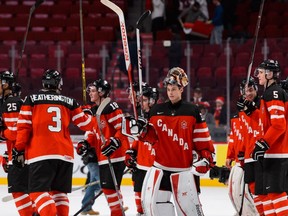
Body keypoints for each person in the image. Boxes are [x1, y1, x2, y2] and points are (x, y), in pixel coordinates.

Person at [128, 67, 215, 215]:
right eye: (168, 89)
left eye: (174, 89)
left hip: (184, 171)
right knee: (160, 210)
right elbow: (152, 139)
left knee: (189, 211)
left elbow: (202, 140)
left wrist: (207, 157)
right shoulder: (156, 111)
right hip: (160, 169)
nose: (170, 92)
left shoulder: (192, 111)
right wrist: (141, 131)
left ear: (181, 89)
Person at [13, 69, 96, 216]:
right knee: (60, 194)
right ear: (59, 84)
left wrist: (19, 149)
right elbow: (87, 125)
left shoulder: (31, 99)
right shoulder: (70, 101)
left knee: (37, 192)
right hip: (65, 155)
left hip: (41, 153)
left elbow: (23, 126)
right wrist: (88, 113)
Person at [76, 78, 129, 215]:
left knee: (109, 188)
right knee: (107, 189)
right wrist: (86, 144)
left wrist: (114, 142)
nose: (90, 94)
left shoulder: (110, 107)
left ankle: (117, 212)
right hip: (104, 157)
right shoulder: (96, 111)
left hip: (116, 156)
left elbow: (122, 129)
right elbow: (95, 133)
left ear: (101, 92)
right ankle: (117, 212)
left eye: (93, 91)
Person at [252, 59, 288, 215]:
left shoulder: (274, 92)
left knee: (275, 194)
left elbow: (279, 125)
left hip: (277, 152)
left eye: (260, 72)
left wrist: (264, 143)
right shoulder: (267, 93)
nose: (258, 75)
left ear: (269, 74)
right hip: (271, 153)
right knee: (266, 195)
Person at [0, 71, 36, 216]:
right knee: (28, 191)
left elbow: (17, 132)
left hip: (21, 156)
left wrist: (2, 132)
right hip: (21, 155)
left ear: (6, 84)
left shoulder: (12, 104)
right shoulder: (10, 103)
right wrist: (5, 154)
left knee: (18, 191)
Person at [124, 84, 159, 215]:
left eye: (144, 100)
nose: (141, 103)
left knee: (155, 198)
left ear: (152, 100)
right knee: (138, 191)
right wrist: (132, 151)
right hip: (141, 164)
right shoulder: (140, 117)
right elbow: (139, 139)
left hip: (155, 166)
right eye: (141, 100)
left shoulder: (159, 117)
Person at [76, 89, 102, 215]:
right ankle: (118, 203)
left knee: (93, 184)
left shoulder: (95, 120)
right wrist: (84, 111)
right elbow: (88, 137)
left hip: (96, 155)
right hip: (91, 156)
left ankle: (86, 207)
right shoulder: (90, 124)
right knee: (103, 182)